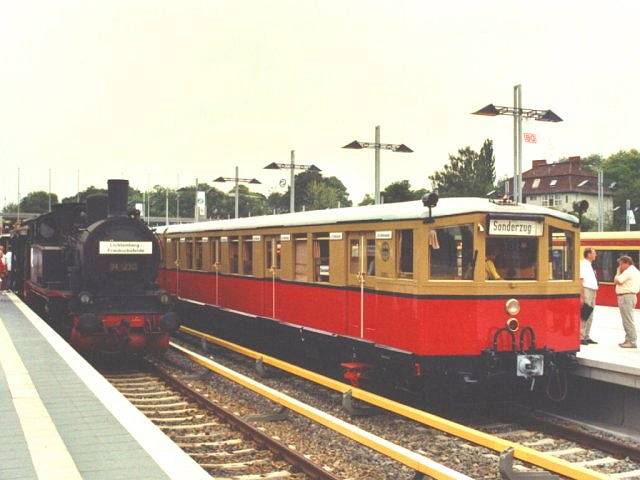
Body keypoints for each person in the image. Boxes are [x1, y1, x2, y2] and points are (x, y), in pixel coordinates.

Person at [614, 255, 640, 348]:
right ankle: (628, 339)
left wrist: (617, 272)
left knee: (627, 320)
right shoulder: (635, 271)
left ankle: (632, 341)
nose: (620, 266)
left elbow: (617, 281)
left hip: (626, 297)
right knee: (627, 320)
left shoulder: (629, 271)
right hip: (629, 297)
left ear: (626, 263)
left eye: (621, 264)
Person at [579, 248, 598, 345]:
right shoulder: (583, 264)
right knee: (585, 313)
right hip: (586, 290)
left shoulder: (590, 265)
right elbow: (580, 281)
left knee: (590, 314)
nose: (596, 255)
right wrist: (581, 296)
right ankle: (580, 336)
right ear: (589, 254)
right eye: (594, 253)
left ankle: (586, 335)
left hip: (592, 290)